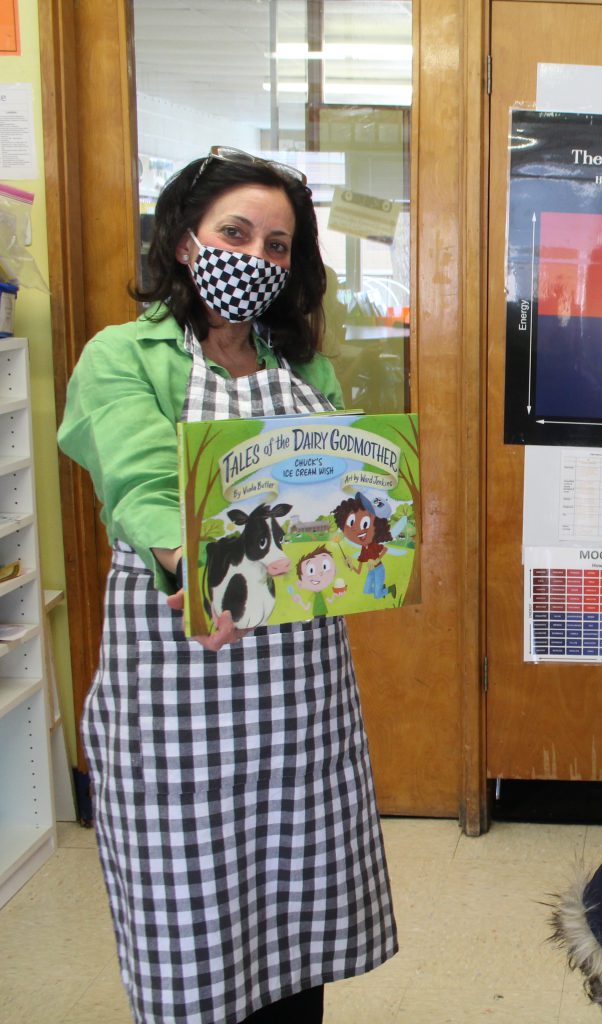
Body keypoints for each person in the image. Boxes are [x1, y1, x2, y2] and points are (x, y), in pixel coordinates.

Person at [58, 147, 396, 1023]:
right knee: (193, 938)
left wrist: (371, 533)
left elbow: (329, 494)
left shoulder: (301, 367)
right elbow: (141, 483)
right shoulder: (121, 358)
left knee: (294, 935)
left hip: (297, 701)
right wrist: (196, 570)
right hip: (181, 684)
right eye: (235, 233)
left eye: (278, 246)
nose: (256, 257)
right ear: (184, 241)